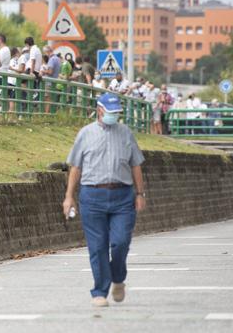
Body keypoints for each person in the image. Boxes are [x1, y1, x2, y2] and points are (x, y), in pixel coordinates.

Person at [63, 92, 147, 308]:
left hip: (122, 195)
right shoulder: (85, 134)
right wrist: (69, 197)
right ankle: (99, 291)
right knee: (98, 246)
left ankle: (118, 278)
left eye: (116, 113)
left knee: (120, 242)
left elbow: (136, 164)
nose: (114, 116)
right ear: (100, 110)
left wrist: (140, 193)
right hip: (92, 196)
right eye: (110, 112)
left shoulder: (125, 133)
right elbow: (76, 167)